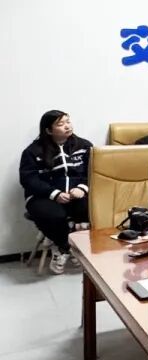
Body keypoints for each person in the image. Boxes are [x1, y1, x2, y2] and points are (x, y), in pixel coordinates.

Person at [19, 110, 92, 274]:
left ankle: (71, 244)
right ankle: (65, 247)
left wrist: (82, 188)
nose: (67, 126)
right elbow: (29, 180)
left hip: (76, 194)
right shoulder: (33, 151)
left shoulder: (84, 146)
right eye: (60, 124)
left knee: (92, 210)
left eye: (68, 121)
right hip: (43, 196)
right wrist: (54, 193)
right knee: (54, 216)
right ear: (48, 130)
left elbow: (94, 171)